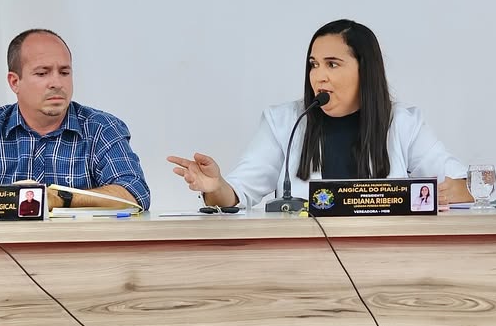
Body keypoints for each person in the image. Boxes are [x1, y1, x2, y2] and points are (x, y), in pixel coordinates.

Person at [168, 19, 473, 208]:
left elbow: (464, 187)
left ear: (365, 70)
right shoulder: (284, 122)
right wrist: (216, 187)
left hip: (386, 257)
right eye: (314, 65)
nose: (319, 76)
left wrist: (435, 195)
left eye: (332, 64)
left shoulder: (404, 123)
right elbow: (236, 194)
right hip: (302, 262)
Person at [0, 29, 151, 210]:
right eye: (42, 73)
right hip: (0, 252)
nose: (57, 83)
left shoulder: (101, 128)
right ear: (14, 82)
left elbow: (134, 194)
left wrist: (61, 198)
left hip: (82, 251)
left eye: (64, 72)